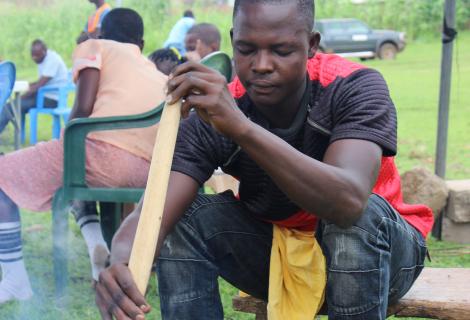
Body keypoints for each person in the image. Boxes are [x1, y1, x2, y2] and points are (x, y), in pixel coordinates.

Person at [95, 1, 434, 319]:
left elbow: (347, 203)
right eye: (246, 49)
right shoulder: (215, 116)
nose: (261, 65)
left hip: (380, 255)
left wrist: (243, 129)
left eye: (281, 50)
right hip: (278, 252)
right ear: (232, 41)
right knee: (181, 221)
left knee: (356, 221)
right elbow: (152, 213)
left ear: (312, 44)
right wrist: (120, 260)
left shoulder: (353, 86)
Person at [0, 8, 166, 304]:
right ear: (140, 43)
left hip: (98, 153)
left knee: (13, 171)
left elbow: (84, 107)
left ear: (101, 32)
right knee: (73, 171)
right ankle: (96, 246)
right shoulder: (153, 69)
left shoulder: (94, 46)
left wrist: (64, 142)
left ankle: (15, 280)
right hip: (144, 169)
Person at [0, 39, 68, 135]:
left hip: (51, 99)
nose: (34, 58)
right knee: (12, 105)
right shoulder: (44, 58)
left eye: (37, 55)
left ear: (44, 51)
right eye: (32, 55)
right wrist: (28, 85)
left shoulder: (52, 60)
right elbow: (40, 82)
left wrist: (21, 97)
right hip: (43, 95)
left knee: (10, 107)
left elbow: (39, 86)